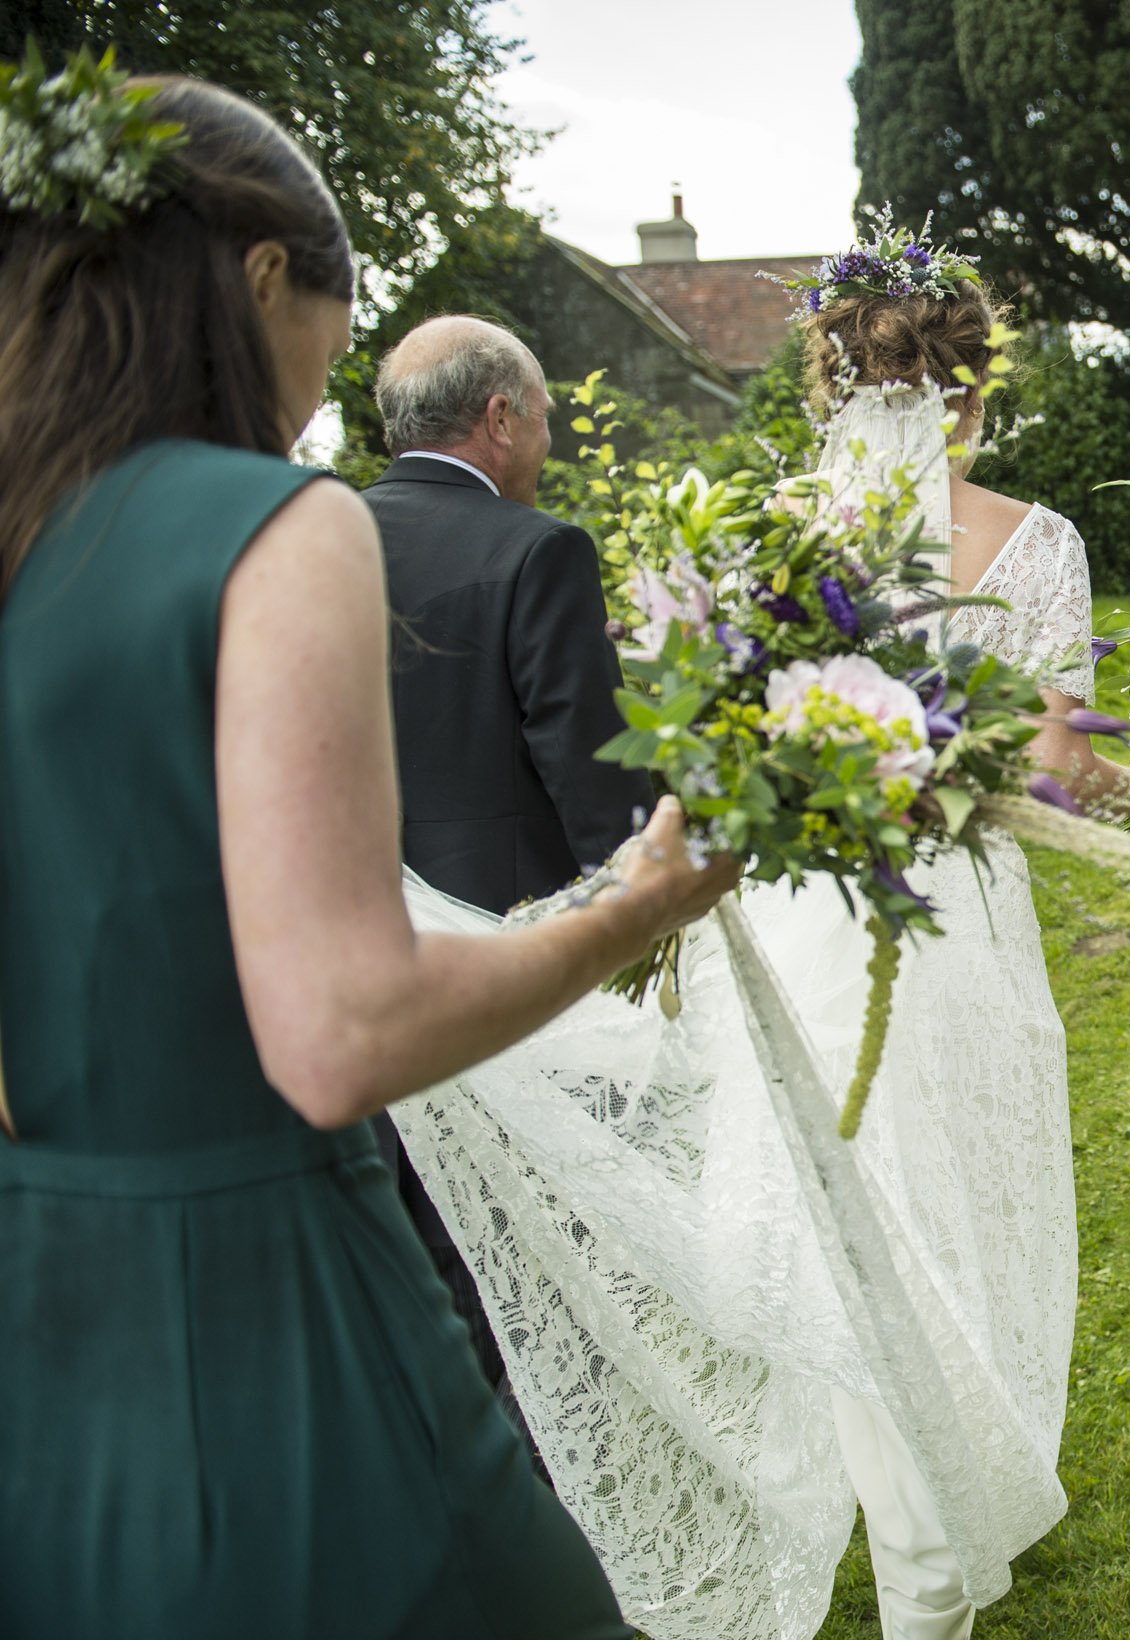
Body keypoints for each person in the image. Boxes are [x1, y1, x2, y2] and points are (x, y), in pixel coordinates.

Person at [387, 223, 1130, 1640]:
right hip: (943, 922)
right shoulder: (1035, 543)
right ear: (968, 391)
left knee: (808, 1220)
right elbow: (1060, 765)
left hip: (787, 917)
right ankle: (927, 1568)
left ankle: (855, 1519)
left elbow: (705, 735)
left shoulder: (770, 531)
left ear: (827, 379)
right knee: (930, 1229)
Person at [0, 62, 736, 1639]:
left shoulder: (19, 531)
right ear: (265, 278)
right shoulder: (273, 523)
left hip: (41, 1339)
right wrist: (643, 900)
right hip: (268, 1317)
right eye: (326, 342)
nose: (321, 394)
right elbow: (340, 1035)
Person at [361, 314, 653, 1411]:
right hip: (512, 952)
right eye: (542, 415)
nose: (548, 439)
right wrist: (641, 923)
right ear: (497, 416)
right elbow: (590, 770)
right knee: (532, 1260)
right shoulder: (538, 549)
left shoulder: (314, 535)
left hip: (351, 947)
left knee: (412, 1243)